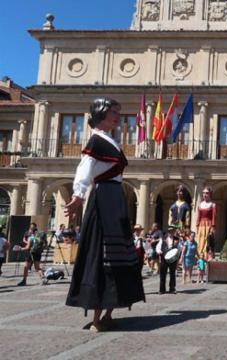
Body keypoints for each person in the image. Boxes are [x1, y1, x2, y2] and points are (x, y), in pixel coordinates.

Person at [63, 97, 145, 332]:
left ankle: (110, 311)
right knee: (101, 252)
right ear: (100, 115)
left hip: (115, 197)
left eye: (118, 112)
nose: (117, 116)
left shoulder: (111, 141)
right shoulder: (96, 141)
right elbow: (85, 167)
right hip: (103, 198)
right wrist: (78, 195)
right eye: (113, 113)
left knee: (120, 253)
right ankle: (98, 316)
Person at [156, 225, 179, 294]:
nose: (170, 233)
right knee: (163, 274)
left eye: (172, 231)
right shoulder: (163, 239)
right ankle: (162, 289)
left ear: (174, 232)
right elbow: (158, 247)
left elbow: (180, 248)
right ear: (167, 232)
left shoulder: (176, 239)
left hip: (173, 259)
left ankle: (172, 289)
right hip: (164, 258)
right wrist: (159, 251)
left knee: (172, 274)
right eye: (169, 231)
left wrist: (177, 254)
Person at [196, 186, 216, 258]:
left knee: (207, 240)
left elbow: (214, 217)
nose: (205, 195)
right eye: (203, 193)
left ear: (210, 194)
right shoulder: (200, 204)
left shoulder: (213, 205)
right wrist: (197, 225)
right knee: (200, 239)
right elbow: (199, 216)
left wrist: (213, 227)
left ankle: (206, 256)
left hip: (208, 224)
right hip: (201, 225)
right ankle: (199, 255)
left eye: (207, 193)